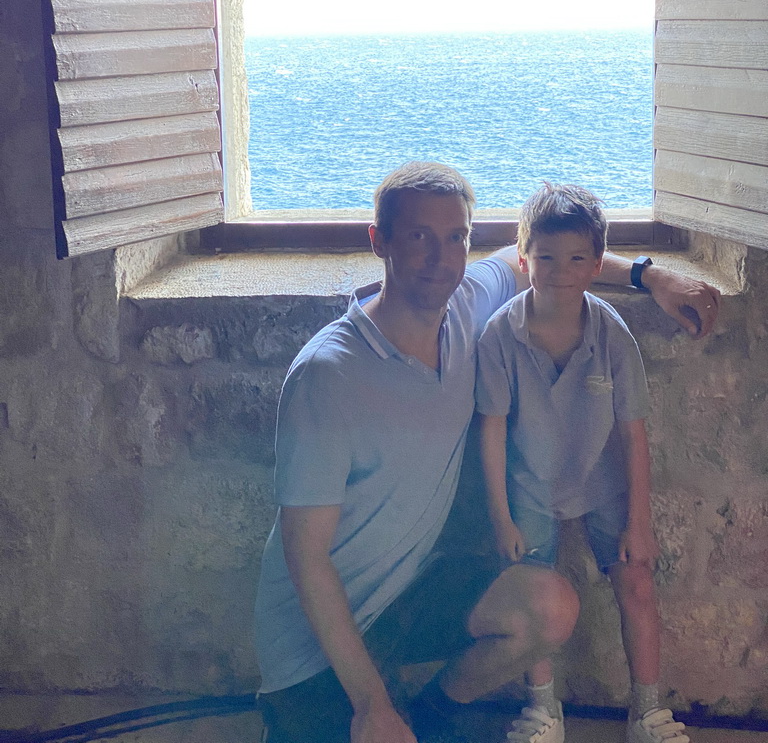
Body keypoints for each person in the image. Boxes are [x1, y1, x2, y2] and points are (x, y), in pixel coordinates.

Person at [255, 163, 719, 743]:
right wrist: (369, 705)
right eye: (419, 236)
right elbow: (306, 556)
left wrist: (654, 278)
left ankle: (422, 713)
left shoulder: (468, 305)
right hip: (321, 642)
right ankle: (380, 707)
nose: (440, 257)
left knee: (548, 606)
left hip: (411, 595)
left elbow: (548, 254)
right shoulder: (329, 376)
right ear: (380, 241)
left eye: (456, 237)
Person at [476, 183, 692, 743]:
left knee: (637, 581)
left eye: (576, 258)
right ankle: (543, 710)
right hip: (529, 483)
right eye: (545, 257)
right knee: (531, 590)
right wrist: (500, 517)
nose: (560, 270)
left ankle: (647, 710)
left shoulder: (610, 335)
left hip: (600, 479)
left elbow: (633, 432)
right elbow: (492, 429)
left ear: (597, 265)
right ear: (524, 260)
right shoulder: (501, 335)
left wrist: (638, 521)